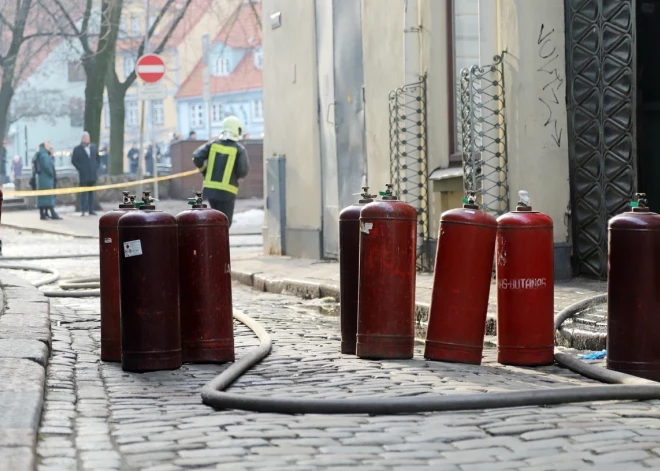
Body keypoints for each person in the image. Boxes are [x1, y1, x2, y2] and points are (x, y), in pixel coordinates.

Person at [192, 115, 250, 226]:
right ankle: (221, 242)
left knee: (215, 220)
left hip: (211, 191)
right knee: (225, 222)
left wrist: (204, 170)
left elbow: (196, 156)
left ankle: (215, 241)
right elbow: (243, 170)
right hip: (228, 192)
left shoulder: (212, 144)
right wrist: (236, 176)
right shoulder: (239, 149)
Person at [71, 131, 100, 216]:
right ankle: (83, 210)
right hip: (83, 175)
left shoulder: (93, 147)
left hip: (92, 174)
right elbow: (74, 161)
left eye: (88, 138)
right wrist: (80, 168)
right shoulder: (77, 149)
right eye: (86, 138)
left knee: (92, 193)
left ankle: (91, 210)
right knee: (84, 193)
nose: (87, 139)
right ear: (83, 139)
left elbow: (98, 158)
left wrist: (96, 167)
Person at [34, 142, 61, 220]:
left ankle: (43, 214)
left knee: (43, 197)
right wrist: (52, 174)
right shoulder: (44, 155)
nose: (50, 146)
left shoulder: (39, 154)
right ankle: (52, 213)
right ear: (44, 146)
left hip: (41, 179)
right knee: (48, 196)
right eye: (48, 145)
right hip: (46, 179)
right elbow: (46, 166)